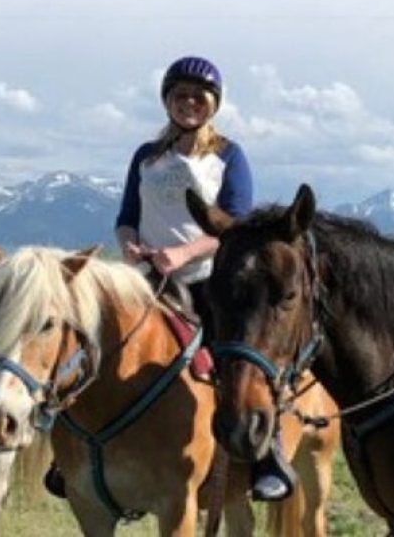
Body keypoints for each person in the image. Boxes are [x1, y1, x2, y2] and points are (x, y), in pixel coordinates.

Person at [115, 55, 294, 501]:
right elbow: (126, 216)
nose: (188, 103)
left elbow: (236, 223)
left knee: (239, 359)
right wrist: (130, 245)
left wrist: (182, 252)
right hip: (146, 277)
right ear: (167, 102)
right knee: (102, 343)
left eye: (198, 97)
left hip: (207, 279)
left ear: (213, 104)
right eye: (179, 96)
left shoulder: (228, 156)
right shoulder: (146, 156)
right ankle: (79, 449)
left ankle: (267, 457)